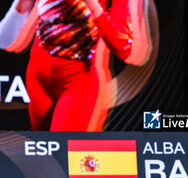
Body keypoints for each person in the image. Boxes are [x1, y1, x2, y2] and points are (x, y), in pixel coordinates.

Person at [0, 0, 152, 131]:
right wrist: (21, 5)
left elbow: (123, 48)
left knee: (62, 155)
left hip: (78, 83)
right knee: (43, 154)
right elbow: (4, 40)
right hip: (38, 79)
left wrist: (93, 5)